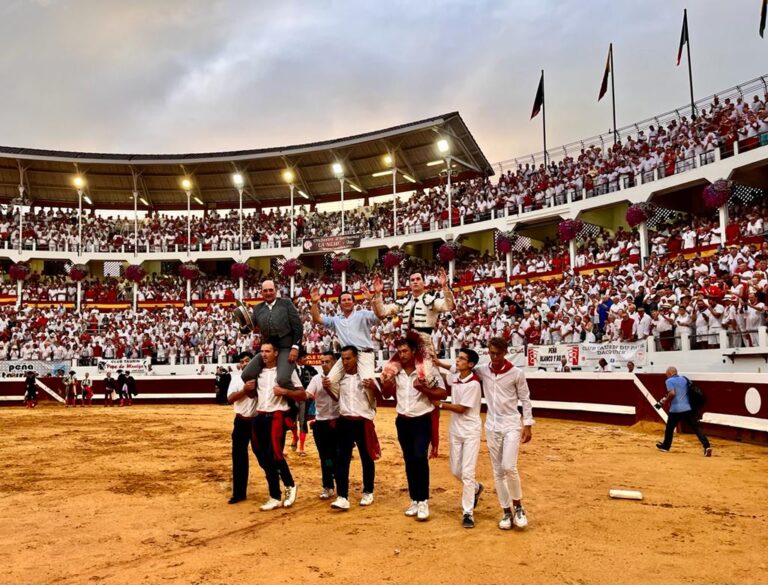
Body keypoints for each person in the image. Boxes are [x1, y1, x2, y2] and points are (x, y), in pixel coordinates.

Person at [381, 334, 447, 522]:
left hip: (421, 420)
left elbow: (443, 392)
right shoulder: (394, 371)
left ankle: (423, 500)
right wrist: (387, 385)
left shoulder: (427, 369)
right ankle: (414, 500)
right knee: (409, 460)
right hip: (403, 421)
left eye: (405, 351)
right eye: (399, 351)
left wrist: (423, 389)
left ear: (413, 351)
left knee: (419, 457)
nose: (402, 355)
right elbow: (386, 395)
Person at [476, 337, 534, 531]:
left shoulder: (516, 373)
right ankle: (506, 511)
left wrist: (527, 424)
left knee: (509, 466)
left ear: (505, 352)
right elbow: (461, 370)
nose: (494, 357)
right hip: (491, 425)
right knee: (498, 471)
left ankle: (518, 507)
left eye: (498, 354)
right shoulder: (483, 370)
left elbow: (525, 399)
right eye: (491, 353)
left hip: (511, 424)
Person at [371, 269, 455, 387]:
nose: (415, 282)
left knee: (425, 377)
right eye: (412, 280)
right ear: (409, 284)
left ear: (424, 283)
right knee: (386, 374)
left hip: (424, 343)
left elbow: (449, 306)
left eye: (418, 279)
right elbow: (382, 313)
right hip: (406, 344)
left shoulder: (431, 301)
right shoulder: (404, 302)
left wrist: (445, 287)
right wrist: (378, 293)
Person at [251, 339, 305, 511]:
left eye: (267, 351)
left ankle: (285, 488)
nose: (263, 354)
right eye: (262, 351)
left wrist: (285, 392)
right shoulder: (258, 371)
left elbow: (302, 394)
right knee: (262, 456)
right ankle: (277, 493)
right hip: (260, 416)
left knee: (274, 455)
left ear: (276, 353)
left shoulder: (286, 371)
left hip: (276, 417)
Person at [327, 346, 380, 511]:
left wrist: (373, 387)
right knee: (341, 459)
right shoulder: (340, 378)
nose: (345, 362)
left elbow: (378, 397)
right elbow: (335, 397)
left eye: (348, 358)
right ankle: (342, 496)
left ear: (356, 358)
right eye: (343, 359)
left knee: (366, 457)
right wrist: (328, 387)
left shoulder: (366, 378)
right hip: (344, 421)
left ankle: (368, 491)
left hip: (362, 422)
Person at [437, 348, 483, 529]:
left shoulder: (474, 384)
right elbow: (449, 371)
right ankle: (476, 488)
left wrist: (440, 405)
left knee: (468, 472)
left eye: (462, 359)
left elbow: (462, 409)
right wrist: (436, 363)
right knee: (456, 470)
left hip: (471, 431)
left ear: (470, 364)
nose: (458, 360)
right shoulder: (457, 377)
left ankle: (468, 513)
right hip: (455, 430)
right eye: (458, 357)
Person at [310, 287, 378, 404]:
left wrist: (372, 300)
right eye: (344, 300)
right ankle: (342, 403)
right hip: (346, 356)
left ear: (353, 302)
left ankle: (371, 407)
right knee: (329, 382)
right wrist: (314, 303)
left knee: (367, 383)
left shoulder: (363, 314)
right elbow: (317, 319)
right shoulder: (336, 320)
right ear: (340, 304)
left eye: (349, 299)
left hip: (364, 354)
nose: (347, 302)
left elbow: (379, 316)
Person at [241, 280, 303, 393]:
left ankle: (295, 399)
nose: (268, 293)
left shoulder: (286, 303)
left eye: (271, 290)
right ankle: (260, 398)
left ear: (276, 291)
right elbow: (248, 328)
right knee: (246, 375)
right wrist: (241, 322)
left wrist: (295, 347)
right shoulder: (257, 308)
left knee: (283, 380)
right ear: (261, 292)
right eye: (265, 291)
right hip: (268, 349)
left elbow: (298, 327)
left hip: (285, 347)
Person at [304, 351, 341, 500]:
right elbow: (308, 394)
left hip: (339, 422)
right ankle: (328, 484)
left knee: (339, 455)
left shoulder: (341, 378)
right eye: (322, 362)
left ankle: (339, 483)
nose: (324, 364)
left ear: (335, 363)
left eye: (327, 361)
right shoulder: (316, 379)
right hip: (322, 423)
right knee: (325, 456)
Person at [655, 367, 712, 456]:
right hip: (688, 408)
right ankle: (707, 446)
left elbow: (672, 393)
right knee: (696, 428)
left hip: (675, 409)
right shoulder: (685, 379)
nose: (666, 376)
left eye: (667, 375)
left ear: (669, 373)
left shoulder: (669, 381)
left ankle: (666, 446)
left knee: (669, 429)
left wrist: (665, 400)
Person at [226, 351, 258, 505]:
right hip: (241, 421)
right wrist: (245, 390)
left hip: (257, 422)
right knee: (239, 458)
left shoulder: (261, 377)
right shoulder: (236, 378)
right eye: (242, 361)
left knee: (264, 457)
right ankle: (239, 493)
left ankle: (274, 491)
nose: (245, 364)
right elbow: (230, 399)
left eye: (247, 360)